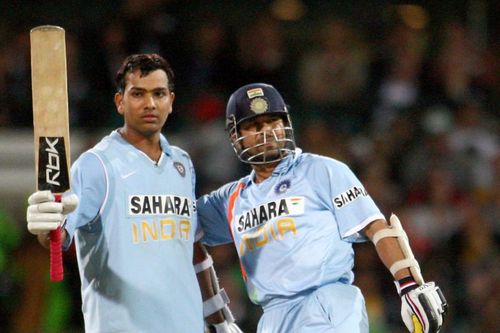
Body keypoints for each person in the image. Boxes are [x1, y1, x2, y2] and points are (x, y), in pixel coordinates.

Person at [196, 83, 448, 333]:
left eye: (273, 121)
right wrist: (214, 314)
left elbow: (376, 227)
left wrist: (409, 284)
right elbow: (176, 227)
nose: (267, 132)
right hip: (272, 318)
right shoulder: (229, 199)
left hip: (327, 303)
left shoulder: (321, 170)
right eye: (254, 125)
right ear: (235, 137)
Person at [26, 54, 242, 333]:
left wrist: (218, 317)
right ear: (120, 102)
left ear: (171, 101)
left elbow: (191, 247)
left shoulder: (182, 164)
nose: (150, 103)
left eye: (159, 94)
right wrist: (47, 224)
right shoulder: (96, 165)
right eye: (138, 94)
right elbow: (60, 231)